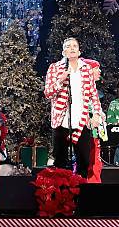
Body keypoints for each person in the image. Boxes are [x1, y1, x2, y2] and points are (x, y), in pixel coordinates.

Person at [44, 37, 105, 179]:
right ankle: (62, 197)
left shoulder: (87, 69)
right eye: (68, 46)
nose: (71, 48)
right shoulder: (55, 68)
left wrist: (96, 114)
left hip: (81, 119)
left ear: (79, 51)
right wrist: (60, 80)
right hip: (61, 120)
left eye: (74, 46)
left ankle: (81, 194)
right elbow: (48, 93)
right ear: (64, 51)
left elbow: (93, 94)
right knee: (60, 161)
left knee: (84, 160)